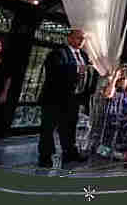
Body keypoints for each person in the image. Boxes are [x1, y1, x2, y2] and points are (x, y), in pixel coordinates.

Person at [38, 29, 90, 168]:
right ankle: (45, 156)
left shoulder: (84, 55)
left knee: (69, 127)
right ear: (69, 38)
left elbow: (87, 76)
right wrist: (76, 70)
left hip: (74, 99)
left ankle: (69, 153)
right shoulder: (57, 53)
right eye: (78, 38)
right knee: (48, 128)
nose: (81, 41)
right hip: (54, 98)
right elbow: (53, 72)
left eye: (83, 39)